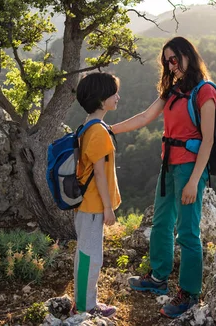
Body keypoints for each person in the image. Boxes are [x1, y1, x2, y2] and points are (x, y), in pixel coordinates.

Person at [112, 36, 216, 318]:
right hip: (168, 166)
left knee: (187, 232)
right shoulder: (172, 91)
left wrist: (195, 181)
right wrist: (109, 129)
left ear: (188, 56)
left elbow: (207, 141)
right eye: (166, 61)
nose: (171, 66)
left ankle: (189, 293)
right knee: (161, 223)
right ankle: (158, 279)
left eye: (175, 59)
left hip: (189, 168)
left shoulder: (205, 91)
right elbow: (145, 117)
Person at [72, 71, 121, 318]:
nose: (118, 97)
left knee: (87, 254)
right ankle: (85, 306)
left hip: (86, 204)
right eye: (114, 94)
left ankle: (84, 300)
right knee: (90, 258)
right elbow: (100, 175)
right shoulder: (99, 132)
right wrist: (108, 207)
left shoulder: (87, 125)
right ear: (102, 100)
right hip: (93, 205)